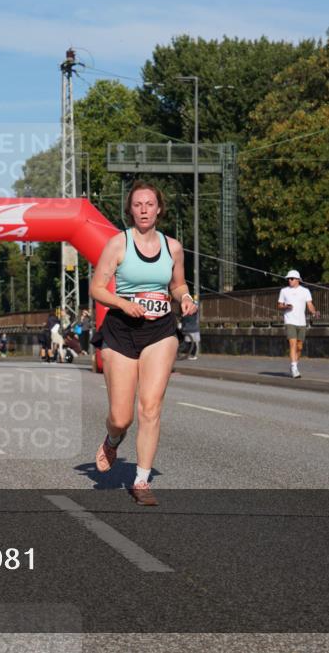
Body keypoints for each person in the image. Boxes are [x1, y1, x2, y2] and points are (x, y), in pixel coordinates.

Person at [90, 181, 197, 506]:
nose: (144, 210)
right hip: (121, 329)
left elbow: (177, 285)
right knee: (122, 417)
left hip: (160, 330)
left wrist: (187, 298)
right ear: (130, 210)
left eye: (150, 204)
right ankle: (113, 438)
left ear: (159, 208)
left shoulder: (173, 247)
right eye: (138, 205)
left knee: (150, 407)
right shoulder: (117, 244)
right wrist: (123, 304)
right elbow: (97, 288)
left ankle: (141, 480)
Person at [277, 269, 318, 379]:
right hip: (289, 321)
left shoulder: (305, 291)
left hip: (301, 322)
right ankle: (294, 368)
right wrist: (285, 307)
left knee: (299, 347)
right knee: (293, 344)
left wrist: (314, 312)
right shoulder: (284, 291)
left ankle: (294, 365)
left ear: (298, 280)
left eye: (291, 279)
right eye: (288, 279)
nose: (289, 280)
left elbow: (309, 304)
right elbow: (279, 305)